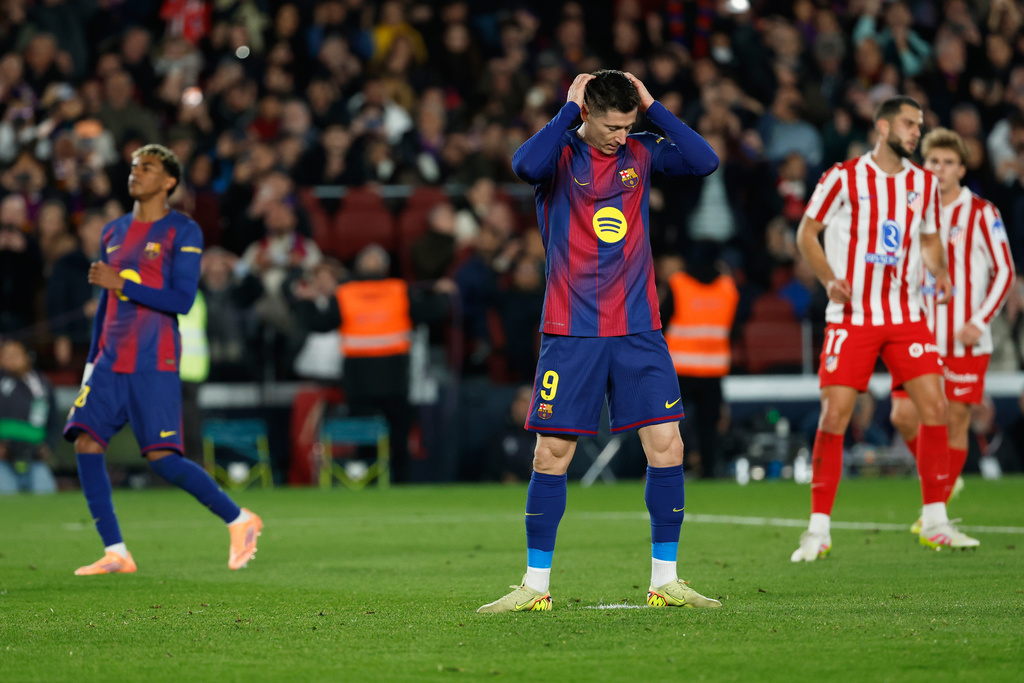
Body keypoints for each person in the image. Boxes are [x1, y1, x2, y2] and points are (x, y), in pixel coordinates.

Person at [477, 70, 722, 613]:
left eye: (628, 125)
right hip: (572, 331)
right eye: (612, 126)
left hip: (638, 329)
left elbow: (704, 160)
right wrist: (568, 109)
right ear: (586, 113)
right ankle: (534, 586)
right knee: (551, 454)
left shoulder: (643, 149)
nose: (620, 136)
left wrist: (652, 108)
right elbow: (523, 165)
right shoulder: (560, 154)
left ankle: (666, 580)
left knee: (669, 446)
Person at [63, 144, 262, 576]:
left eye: (148, 168)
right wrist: (91, 363)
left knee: (163, 459)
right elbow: (106, 304)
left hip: (154, 359)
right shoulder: (113, 231)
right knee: (86, 442)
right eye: (134, 167)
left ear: (169, 181)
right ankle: (116, 551)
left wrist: (122, 283)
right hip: (110, 360)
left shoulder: (182, 231)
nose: (136, 173)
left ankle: (239, 519)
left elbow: (182, 300)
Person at [791, 96, 972, 563]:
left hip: (905, 314)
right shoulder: (843, 177)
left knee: (935, 405)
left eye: (920, 125)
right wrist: (829, 279)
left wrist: (940, 271)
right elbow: (806, 233)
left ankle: (935, 522)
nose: (917, 132)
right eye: (910, 124)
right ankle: (818, 529)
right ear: (884, 127)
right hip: (852, 314)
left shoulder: (923, 183)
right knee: (835, 415)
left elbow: (929, 238)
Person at [889, 128, 1014, 533]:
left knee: (955, 421)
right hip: (916, 336)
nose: (939, 169)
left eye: (948, 163)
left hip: (965, 339)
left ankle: (936, 509)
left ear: (961, 169)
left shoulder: (982, 213)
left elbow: (1005, 271)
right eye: (933, 162)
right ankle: (942, 476)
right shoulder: (910, 210)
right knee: (903, 416)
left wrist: (979, 321)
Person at [662, 243, 739, 478]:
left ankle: (664, 469)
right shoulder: (728, 287)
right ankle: (708, 472)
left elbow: (661, 322)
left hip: (679, 369)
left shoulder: (678, 284)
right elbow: (735, 329)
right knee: (709, 427)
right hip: (713, 370)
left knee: (668, 423)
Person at [0, 339, 60, 494]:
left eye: (15, 355)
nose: (10, 359)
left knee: (46, 494)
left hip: (35, 458)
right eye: (5, 355)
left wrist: (48, 446)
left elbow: (54, 421)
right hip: (3, 461)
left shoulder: (42, 385)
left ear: (27, 357)